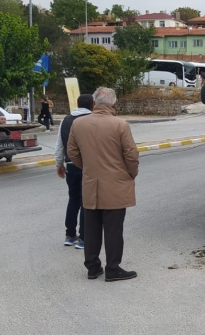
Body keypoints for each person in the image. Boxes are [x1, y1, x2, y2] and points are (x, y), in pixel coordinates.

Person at [68, 87, 139, 282]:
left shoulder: (78, 124)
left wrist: (88, 167)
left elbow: (72, 152)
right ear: (114, 104)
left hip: (91, 184)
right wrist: (130, 174)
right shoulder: (120, 125)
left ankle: (92, 267)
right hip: (116, 185)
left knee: (91, 228)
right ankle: (113, 268)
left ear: (94, 103)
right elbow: (131, 155)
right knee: (113, 230)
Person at [54, 94, 94, 249]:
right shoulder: (93, 120)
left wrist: (59, 163)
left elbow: (59, 145)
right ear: (92, 104)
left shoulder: (66, 120)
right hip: (89, 167)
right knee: (86, 202)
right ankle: (83, 238)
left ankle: (70, 235)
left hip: (71, 165)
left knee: (73, 199)